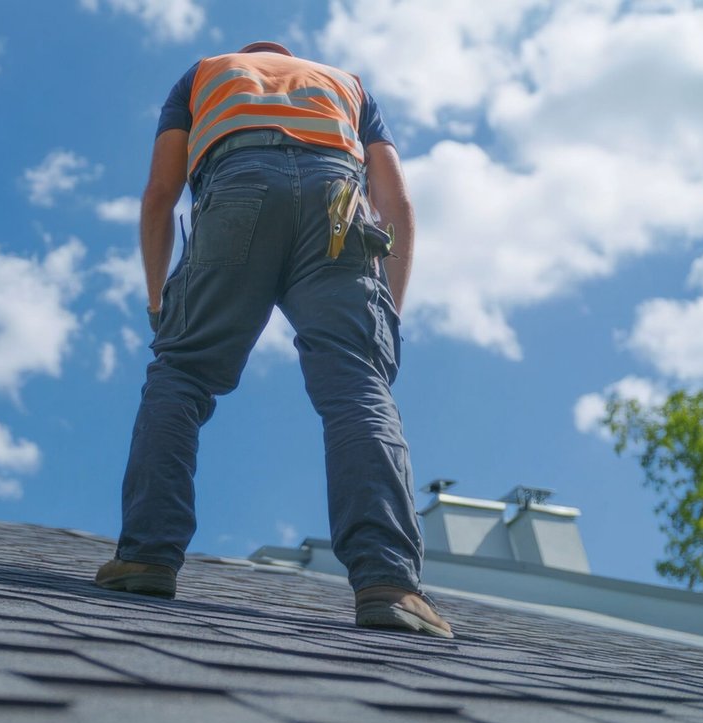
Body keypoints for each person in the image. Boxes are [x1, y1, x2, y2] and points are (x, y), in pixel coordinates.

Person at [94, 41, 453, 638]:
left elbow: (162, 192)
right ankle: (390, 584)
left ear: (251, 58)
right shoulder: (347, 83)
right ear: (291, 60)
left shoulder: (204, 75)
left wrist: (159, 301)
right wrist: (387, 308)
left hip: (238, 185)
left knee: (181, 375)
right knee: (356, 385)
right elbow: (396, 203)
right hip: (340, 203)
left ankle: (146, 557)